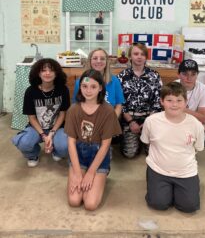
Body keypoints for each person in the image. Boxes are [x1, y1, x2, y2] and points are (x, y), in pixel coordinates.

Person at [140, 82, 205, 213]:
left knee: (189, 206)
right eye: (169, 100)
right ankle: (163, 189)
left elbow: (198, 147)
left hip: (186, 172)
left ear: (186, 102)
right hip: (158, 169)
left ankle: (183, 188)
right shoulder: (151, 121)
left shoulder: (195, 124)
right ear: (161, 101)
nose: (174, 104)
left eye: (179, 100)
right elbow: (147, 141)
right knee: (158, 204)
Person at [64, 69, 122, 210]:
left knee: (90, 204)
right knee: (74, 201)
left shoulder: (108, 111)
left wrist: (91, 173)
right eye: (84, 86)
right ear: (80, 87)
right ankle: (79, 173)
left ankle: (101, 175)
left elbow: (105, 145)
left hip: (99, 157)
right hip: (79, 155)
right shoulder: (73, 110)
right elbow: (71, 142)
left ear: (100, 88)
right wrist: (78, 173)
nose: (88, 90)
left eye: (93, 86)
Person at [12, 58, 70, 167]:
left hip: (57, 128)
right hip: (36, 128)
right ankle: (33, 154)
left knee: (65, 146)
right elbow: (32, 117)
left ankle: (56, 150)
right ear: (38, 73)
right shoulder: (30, 91)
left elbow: (62, 114)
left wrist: (52, 133)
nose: (47, 73)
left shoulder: (63, 90)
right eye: (43, 70)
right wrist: (43, 135)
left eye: (51, 70)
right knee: (23, 143)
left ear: (56, 73)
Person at [117, 43, 162, 158]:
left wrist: (148, 122)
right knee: (130, 154)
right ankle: (135, 138)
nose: (139, 57)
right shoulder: (122, 76)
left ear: (146, 57)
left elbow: (158, 101)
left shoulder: (154, 76)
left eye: (142, 54)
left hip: (150, 118)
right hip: (129, 119)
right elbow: (120, 103)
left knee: (153, 154)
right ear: (130, 56)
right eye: (136, 54)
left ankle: (143, 138)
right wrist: (131, 122)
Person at [72, 48, 124, 119]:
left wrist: (112, 121)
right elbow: (76, 105)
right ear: (90, 61)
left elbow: (118, 105)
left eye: (102, 59)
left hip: (109, 120)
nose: (98, 61)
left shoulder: (114, 81)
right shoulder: (81, 82)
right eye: (95, 58)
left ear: (106, 62)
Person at [177, 59, 205, 146]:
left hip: (196, 121)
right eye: (185, 74)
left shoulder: (204, 90)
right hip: (177, 120)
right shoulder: (173, 87)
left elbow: (203, 118)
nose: (189, 78)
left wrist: (199, 124)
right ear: (178, 74)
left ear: (197, 75)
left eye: (193, 74)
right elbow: (170, 112)